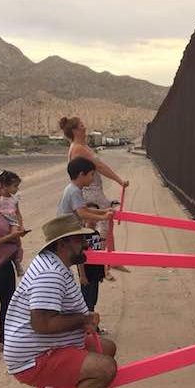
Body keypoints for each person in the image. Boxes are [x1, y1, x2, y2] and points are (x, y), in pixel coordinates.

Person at [3, 213, 117, 388]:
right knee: (104, 368)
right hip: (33, 357)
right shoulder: (50, 274)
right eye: (79, 240)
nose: (84, 244)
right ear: (63, 243)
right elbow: (42, 324)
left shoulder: (53, 263)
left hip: (40, 347)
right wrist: (83, 319)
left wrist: (82, 322)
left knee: (106, 348)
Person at [61, 116, 129, 276]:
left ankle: (110, 260)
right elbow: (99, 166)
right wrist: (119, 180)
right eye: (82, 125)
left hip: (94, 190)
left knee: (103, 224)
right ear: (75, 130)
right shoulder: (78, 148)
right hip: (91, 191)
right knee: (101, 225)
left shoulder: (80, 146)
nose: (85, 127)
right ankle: (101, 262)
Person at [0, 172, 28, 359]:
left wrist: (15, 235)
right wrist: (10, 238)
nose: (1, 194)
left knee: (8, 306)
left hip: (5, 264)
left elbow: (11, 221)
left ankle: (5, 343)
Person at [58, 157, 115, 223]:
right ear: (81, 174)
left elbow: (85, 210)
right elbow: (83, 214)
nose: (93, 179)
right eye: (92, 174)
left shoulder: (71, 188)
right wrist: (103, 217)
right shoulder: (75, 191)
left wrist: (104, 211)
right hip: (68, 228)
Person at [78, 203, 106, 333]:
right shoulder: (82, 236)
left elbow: (100, 254)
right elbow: (80, 258)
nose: (94, 219)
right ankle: (87, 327)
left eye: (96, 216)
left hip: (96, 272)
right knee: (86, 299)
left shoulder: (96, 234)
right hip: (87, 273)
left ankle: (92, 325)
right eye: (91, 216)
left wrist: (102, 271)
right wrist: (82, 275)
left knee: (93, 298)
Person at [0, 170, 25, 275]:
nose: (17, 189)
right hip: (2, 222)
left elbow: (18, 213)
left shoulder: (14, 199)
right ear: (5, 186)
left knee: (17, 241)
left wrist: (21, 225)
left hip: (12, 222)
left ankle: (17, 262)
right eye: (15, 186)